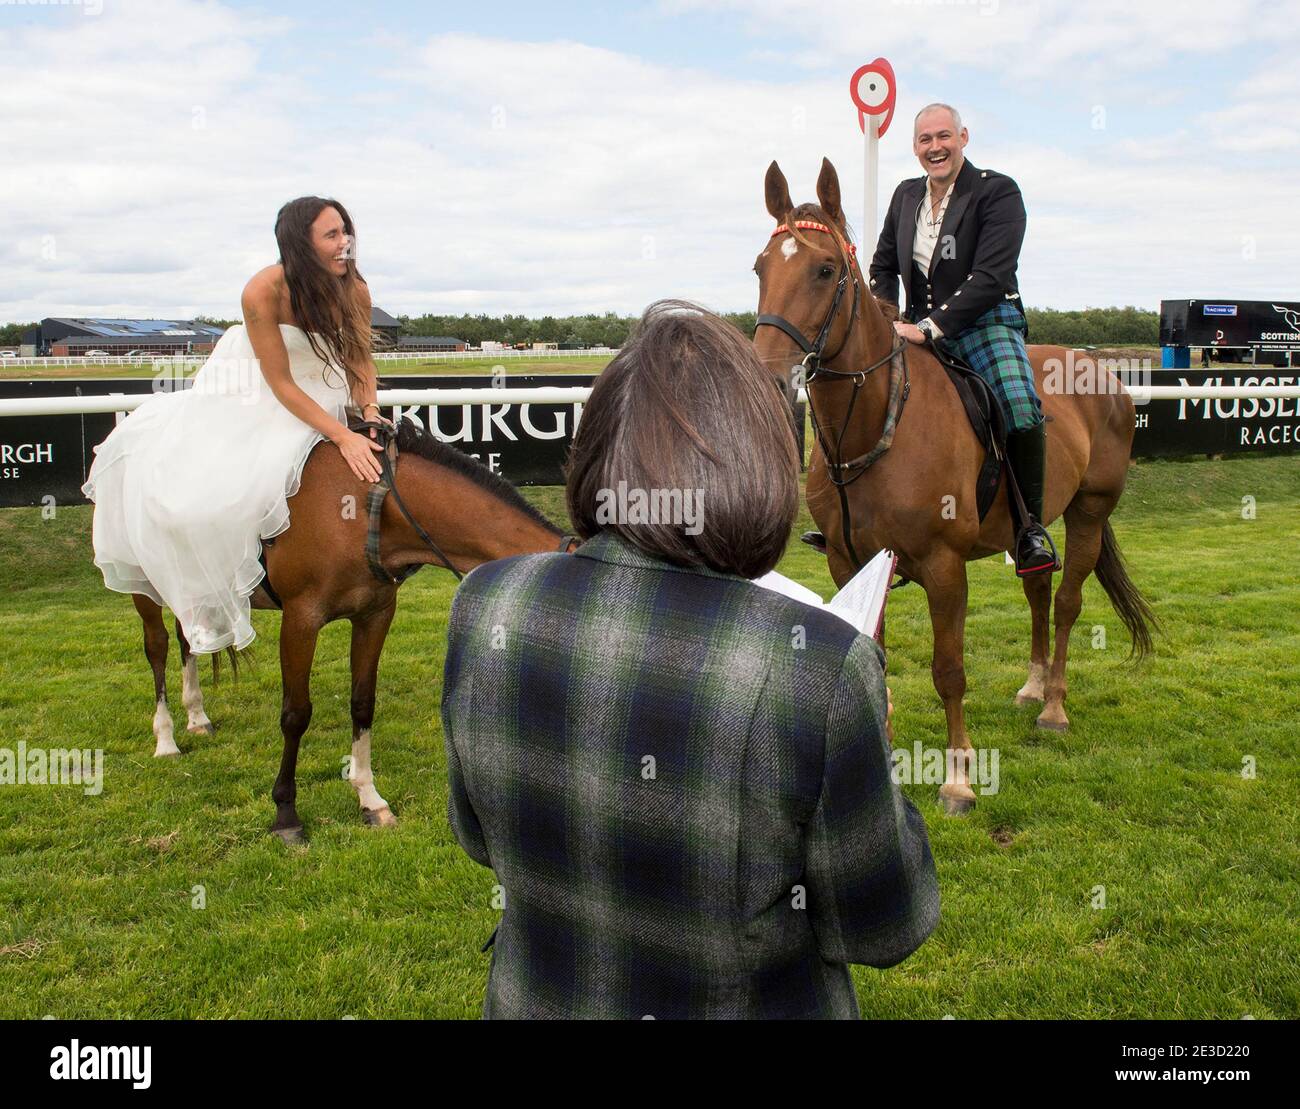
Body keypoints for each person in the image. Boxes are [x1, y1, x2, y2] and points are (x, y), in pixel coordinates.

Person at [441, 301, 939, 1019]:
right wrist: (869, 746)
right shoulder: (822, 673)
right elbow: (886, 923)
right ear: (758, 455)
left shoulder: (485, 602)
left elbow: (478, 836)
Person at [82, 196, 388, 652]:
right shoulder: (261, 291)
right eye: (332, 234)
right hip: (253, 394)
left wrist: (368, 413)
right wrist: (341, 435)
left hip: (326, 391)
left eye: (346, 231)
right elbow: (280, 384)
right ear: (300, 245)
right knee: (210, 499)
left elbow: (360, 361)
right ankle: (208, 589)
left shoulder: (356, 290)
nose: (345, 243)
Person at [869, 102, 1059, 576]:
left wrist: (931, 327)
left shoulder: (997, 191)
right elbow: (883, 267)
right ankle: (860, 522)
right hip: (912, 328)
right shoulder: (905, 196)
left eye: (943, 137)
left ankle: (1029, 527)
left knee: (1018, 401)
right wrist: (885, 317)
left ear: (963, 137)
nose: (935, 147)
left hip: (985, 323)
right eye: (925, 140)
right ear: (915, 148)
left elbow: (991, 275)